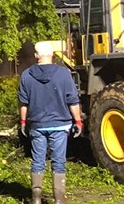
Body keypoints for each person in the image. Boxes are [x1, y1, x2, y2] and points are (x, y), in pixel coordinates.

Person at [19, 41, 83, 204]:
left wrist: (23, 121)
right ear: (53, 54)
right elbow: (73, 100)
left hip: (37, 124)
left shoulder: (26, 75)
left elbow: (23, 103)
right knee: (58, 161)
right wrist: (78, 121)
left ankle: (36, 198)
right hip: (60, 124)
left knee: (38, 160)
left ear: (36, 56)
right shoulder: (63, 74)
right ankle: (59, 199)